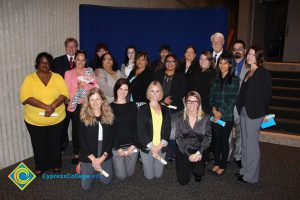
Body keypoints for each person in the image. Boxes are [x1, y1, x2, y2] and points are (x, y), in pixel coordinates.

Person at [20, 52, 69, 175]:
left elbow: (64, 94)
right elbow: (25, 97)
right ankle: (40, 166)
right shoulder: (29, 78)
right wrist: (45, 107)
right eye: (42, 62)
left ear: (50, 64)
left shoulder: (57, 77)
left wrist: (52, 106)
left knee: (55, 143)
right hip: (34, 120)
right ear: (37, 64)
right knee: (38, 144)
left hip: (57, 119)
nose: (45, 64)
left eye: (47, 62)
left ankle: (56, 165)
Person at [236, 45, 272, 183]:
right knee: (245, 143)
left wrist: (264, 114)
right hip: (245, 110)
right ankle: (244, 170)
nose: (249, 56)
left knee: (251, 145)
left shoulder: (263, 73)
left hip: (255, 113)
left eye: (252, 54)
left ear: (259, 57)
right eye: (249, 54)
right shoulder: (248, 71)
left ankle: (251, 176)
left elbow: (267, 95)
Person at [209, 53, 239, 176]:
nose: (222, 65)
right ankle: (216, 163)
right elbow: (211, 97)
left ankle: (223, 165)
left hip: (226, 116)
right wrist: (214, 110)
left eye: (225, 63)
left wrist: (219, 112)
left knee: (223, 141)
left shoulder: (235, 80)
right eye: (220, 63)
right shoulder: (215, 79)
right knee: (216, 140)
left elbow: (232, 100)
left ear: (230, 64)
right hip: (215, 115)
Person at [78, 88, 114, 190]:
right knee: (85, 187)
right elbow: (82, 141)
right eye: (92, 100)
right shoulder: (82, 117)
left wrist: (102, 158)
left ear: (102, 100)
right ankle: (82, 164)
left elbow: (111, 139)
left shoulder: (109, 116)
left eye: (98, 99)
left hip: (104, 152)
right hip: (89, 154)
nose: (95, 102)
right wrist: (94, 160)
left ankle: (98, 167)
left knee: (106, 181)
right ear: (88, 102)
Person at [153, 54, 186, 161]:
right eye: (168, 61)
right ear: (165, 63)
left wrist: (170, 100)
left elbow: (183, 91)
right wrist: (163, 100)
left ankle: (171, 153)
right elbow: (153, 89)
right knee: (161, 130)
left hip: (176, 108)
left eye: (173, 61)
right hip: (160, 107)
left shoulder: (181, 76)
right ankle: (160, 150)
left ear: (176, 63)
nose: (170, 63)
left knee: (173, 133)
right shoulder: (158, 74)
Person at [175, 91, 212, 185]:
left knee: (198, 172)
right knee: (183, 181)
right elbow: (178, 138)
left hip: (198, 149)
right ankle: (189, 162)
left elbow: (208, 137)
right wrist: (188, 155)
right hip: (183, 148)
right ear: (185, 102)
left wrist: (199, 152)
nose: (192, 104)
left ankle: (197, 168)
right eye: (189, 101)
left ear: (199, 103)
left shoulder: (206, 117)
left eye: (195, 101)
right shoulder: (180, 117)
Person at [65, 50, 94, 165]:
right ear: (74, 60)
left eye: (83, 60)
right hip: (75, 105)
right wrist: (78, 88)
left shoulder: (89, 72)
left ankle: (88, 151)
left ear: (85, 61)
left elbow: (93, 88)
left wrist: (84, 88)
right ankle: (76, 153)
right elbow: (67, 91)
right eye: (78, 59)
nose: (80, 62)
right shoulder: (68, 73)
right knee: (77, 129)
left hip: (87, 104)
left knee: (88, 128)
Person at [137, 81, 171, 180]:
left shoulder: (166, 109)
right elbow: (141, 130)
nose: (155, 94)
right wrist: (152, 147)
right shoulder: (142, 109)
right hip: (148, 147)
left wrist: (159, 146)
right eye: (152, 91)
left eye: (157, 91)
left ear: (161, 93)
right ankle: (143, 159)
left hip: (161, 146)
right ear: (149, 93)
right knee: (149, 177)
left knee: (158, 175)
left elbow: (168, 129)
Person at [52, 37, 78, 152]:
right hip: (62, 100)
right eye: (69, 46)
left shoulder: (80, 61)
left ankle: (77, 148)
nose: (71, 48)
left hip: (77, 100)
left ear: (77, 48)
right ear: (65, 48)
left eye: (74, 46)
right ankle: (63, 144)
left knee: (77, 126)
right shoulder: (57, 61)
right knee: (63, 124)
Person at [110, 78, 139, 180]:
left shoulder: (133, 105)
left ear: (128, 91)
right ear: (116, 90)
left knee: (130, 173)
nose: (123, 92)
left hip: (132, 145)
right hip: (117, 147)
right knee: (121, 176)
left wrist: (134, 145)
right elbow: (110, 131)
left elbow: (137, 127)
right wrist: (118, 148)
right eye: (120, 89)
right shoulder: (110, 107)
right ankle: (115, 160)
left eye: (126, 90)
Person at [228, 40, 249, 167]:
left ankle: (238, 156)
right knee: (227, 132)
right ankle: (227, 154)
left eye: (240, 48)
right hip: (227, 105)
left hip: (241, 105)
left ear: (244, 51)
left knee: (241, 132)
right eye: (235, 49)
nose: (237, 51)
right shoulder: (227, 65)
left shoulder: (249, 67)